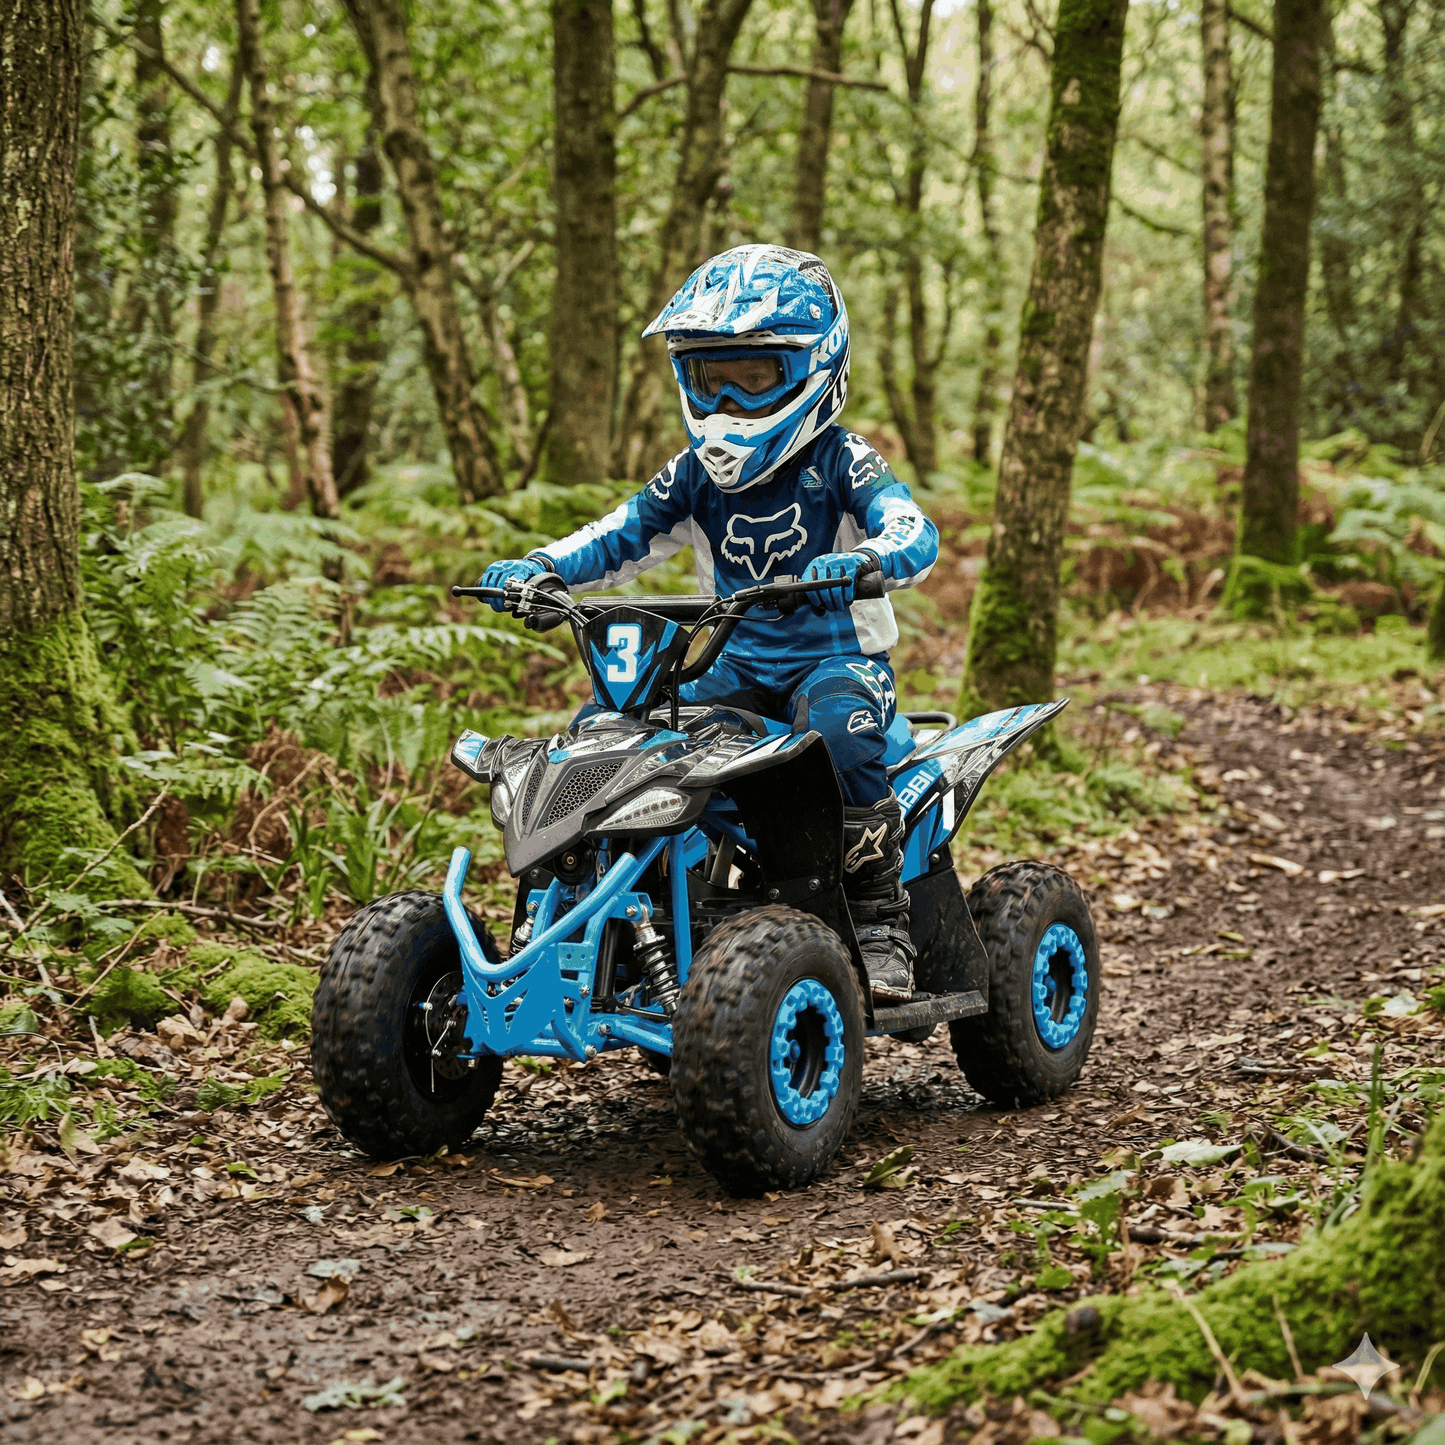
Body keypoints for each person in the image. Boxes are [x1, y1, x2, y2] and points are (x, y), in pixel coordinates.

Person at [480, 244, 939, 1003]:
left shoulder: (842, 458)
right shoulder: (693, 473)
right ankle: (603, 915)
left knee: (843, 728)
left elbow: (911, 530)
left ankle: (879, 916)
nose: (726, 400)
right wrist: (538, 566)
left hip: (834, 660)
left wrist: (864, 563)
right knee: (608, 726)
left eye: (752, 376)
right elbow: (618, 533)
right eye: (707, 375)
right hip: (729, 661)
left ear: (811, 369)